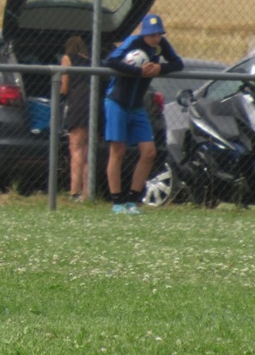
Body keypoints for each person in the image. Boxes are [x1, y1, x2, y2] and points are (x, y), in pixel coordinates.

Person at [103, 13, 183, 215]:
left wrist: (159, 68)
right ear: (144, 33)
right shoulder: (133, 42)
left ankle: (133, 199)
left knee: (149, 152)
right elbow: (110, 62)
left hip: (137, 105)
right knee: (118, 150)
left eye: (159, 34)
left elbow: (177, 63)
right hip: (117, 102)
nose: (156, 38)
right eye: (152, 34)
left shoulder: (160, 45)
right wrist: (138, 71)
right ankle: (117, 201)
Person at [60, 36, 90, 202]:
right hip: (93, 105)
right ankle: (87, 193)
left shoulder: (68, 59)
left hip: (78, 103)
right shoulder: (92, 61)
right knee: (88, 149)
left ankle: (74, 191)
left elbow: (64, 87)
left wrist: (59, 93)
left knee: (76, 148)